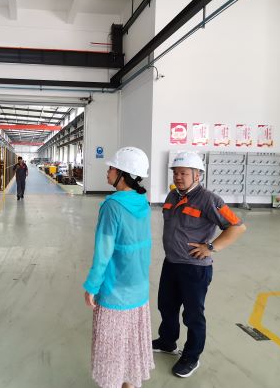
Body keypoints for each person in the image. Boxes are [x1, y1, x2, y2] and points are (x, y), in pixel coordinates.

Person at [152, 151, 246, 378]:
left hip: (195, 268)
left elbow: (237, 227)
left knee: (193, 314)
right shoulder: (172, 196)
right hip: (171, 262)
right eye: (175, 173)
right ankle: (167, 341)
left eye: (183, 173)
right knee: (166, 306)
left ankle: (192, 356)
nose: (178, 177)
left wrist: (211, 247)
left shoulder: (209, 199)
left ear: (197, 175)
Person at [83, 147, 154, 388]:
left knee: (112, 350)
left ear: (123, 174)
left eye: (112, 168)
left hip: (115, 292)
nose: (108, 171)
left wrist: (92, 286)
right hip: (139, 289)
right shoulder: (142, 202)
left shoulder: (112, 206)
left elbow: (103, 253)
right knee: (131, 346)